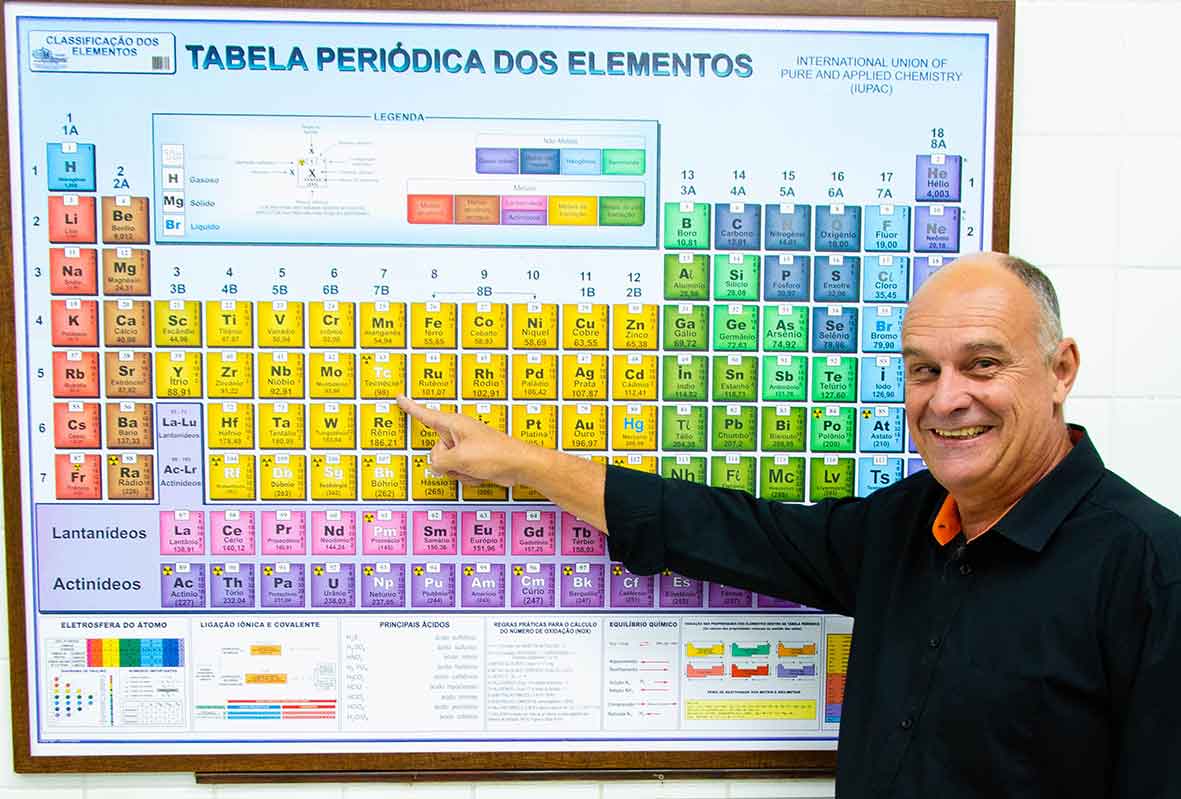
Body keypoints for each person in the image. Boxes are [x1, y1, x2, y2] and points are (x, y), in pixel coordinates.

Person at [397, 252, 1181, 797]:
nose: (946, 398)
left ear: (1059, 370)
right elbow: (725, 529)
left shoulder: (1151, 569)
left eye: (981, 364)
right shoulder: (906, 525)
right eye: (922, 369)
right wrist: (523, 463)